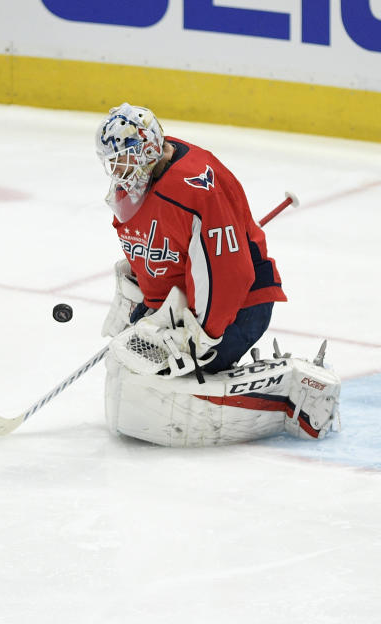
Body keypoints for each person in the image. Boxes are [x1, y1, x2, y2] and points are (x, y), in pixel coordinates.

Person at [94, 103, 340, 446]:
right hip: (184, 302)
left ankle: (293, 390)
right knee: (128, 366)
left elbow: (229, 275)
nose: (118, 170)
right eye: (113, 162)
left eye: (124, 160)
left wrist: (198, 336)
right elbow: (149, 244)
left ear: (148, 148)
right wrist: (145, 302)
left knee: (168, 383)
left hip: (239, 307)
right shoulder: (141, 176)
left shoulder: (194, 189)